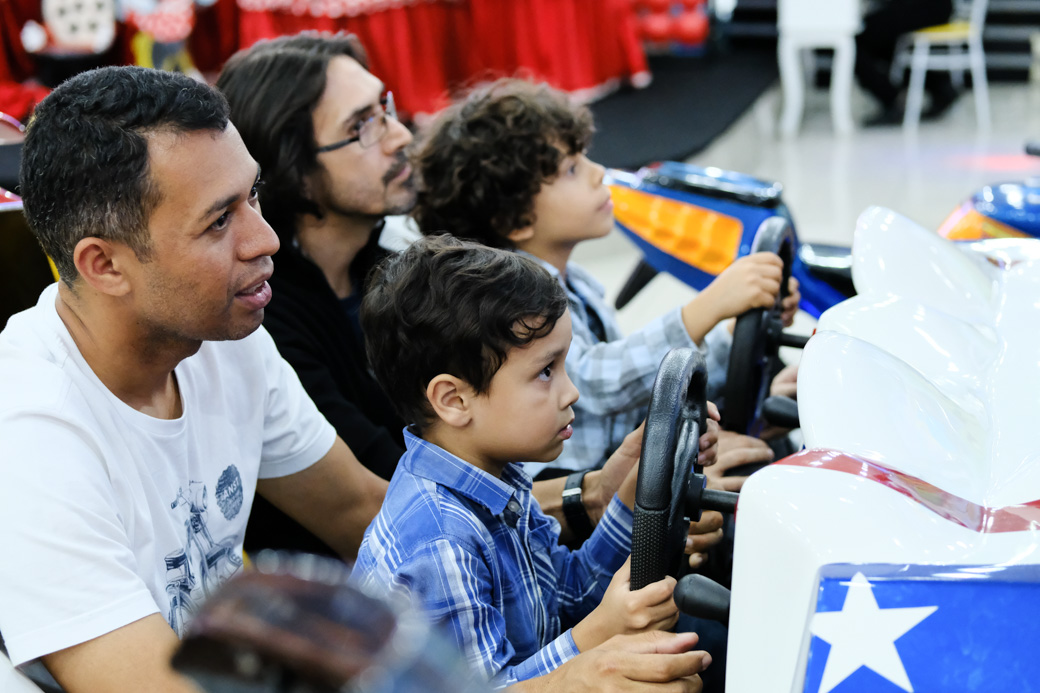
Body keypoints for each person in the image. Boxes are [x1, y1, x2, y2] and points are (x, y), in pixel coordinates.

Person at [0, 65, 391, 692]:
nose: (264, 239)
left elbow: (367, 516)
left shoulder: (224, 336)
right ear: (103, 265)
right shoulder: (28, 436)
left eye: (253, 196)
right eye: (218, 221)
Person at [215, 33, 677, 554]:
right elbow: (391, 507)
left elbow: (499, 427)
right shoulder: (263, 322)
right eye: (361, 126)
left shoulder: (397, 266)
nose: (399, 136)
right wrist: (592, 495)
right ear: (293, 171)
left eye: (385, 109)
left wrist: (629, 483)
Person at [351, 235, 716, 687]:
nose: (571, 393)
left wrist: (630, 497)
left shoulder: (498, 477)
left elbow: (565, 593)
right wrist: (600, 630)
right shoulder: (440, 540)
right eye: (546, 371)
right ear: (454, 400)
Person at [412, 78, 799, 481]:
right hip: (573, 487)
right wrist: (709, 307)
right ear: (516, 218)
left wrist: (733, 337)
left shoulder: (574, 281)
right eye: (572, 169)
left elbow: (631, 394)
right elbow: (598, 385)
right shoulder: (511, 302)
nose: (600, 173)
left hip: (614, 460)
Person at [855, 0, 959, 126]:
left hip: (926, 6)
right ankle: (939, 86)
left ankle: (892, 100)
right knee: (875, 42)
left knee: (858, 39)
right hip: (927, 6)